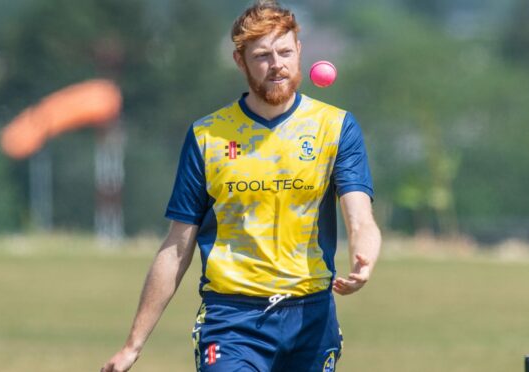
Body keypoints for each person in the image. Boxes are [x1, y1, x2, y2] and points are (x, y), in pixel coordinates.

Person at [101, 1, 381, 371]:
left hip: (311, 316)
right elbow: (177, 246)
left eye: (284, 51)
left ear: (299, 50)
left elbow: (360, 216)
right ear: (240, 61)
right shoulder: (208, 136)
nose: (276, 64)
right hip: (232, 320)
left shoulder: (335, 127)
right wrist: (132, 346)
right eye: (262, 56)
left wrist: (364, 256)